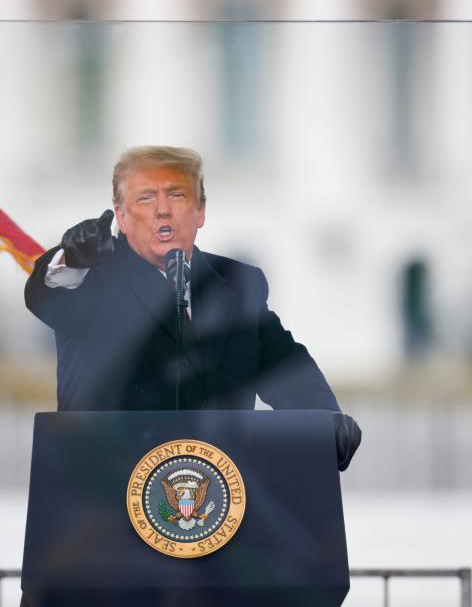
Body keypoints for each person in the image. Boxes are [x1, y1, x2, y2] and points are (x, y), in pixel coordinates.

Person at [25, 146, 361, 471]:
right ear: (121, 217)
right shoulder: (93, 279)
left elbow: (282, 365)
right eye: (145, 198)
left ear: (200, 211)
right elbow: (50, 296)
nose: (163, 210)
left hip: (220, 501)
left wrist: (322, 419)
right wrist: (71, 260)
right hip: (104, 498)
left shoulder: (239, 283)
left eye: (176, 195)